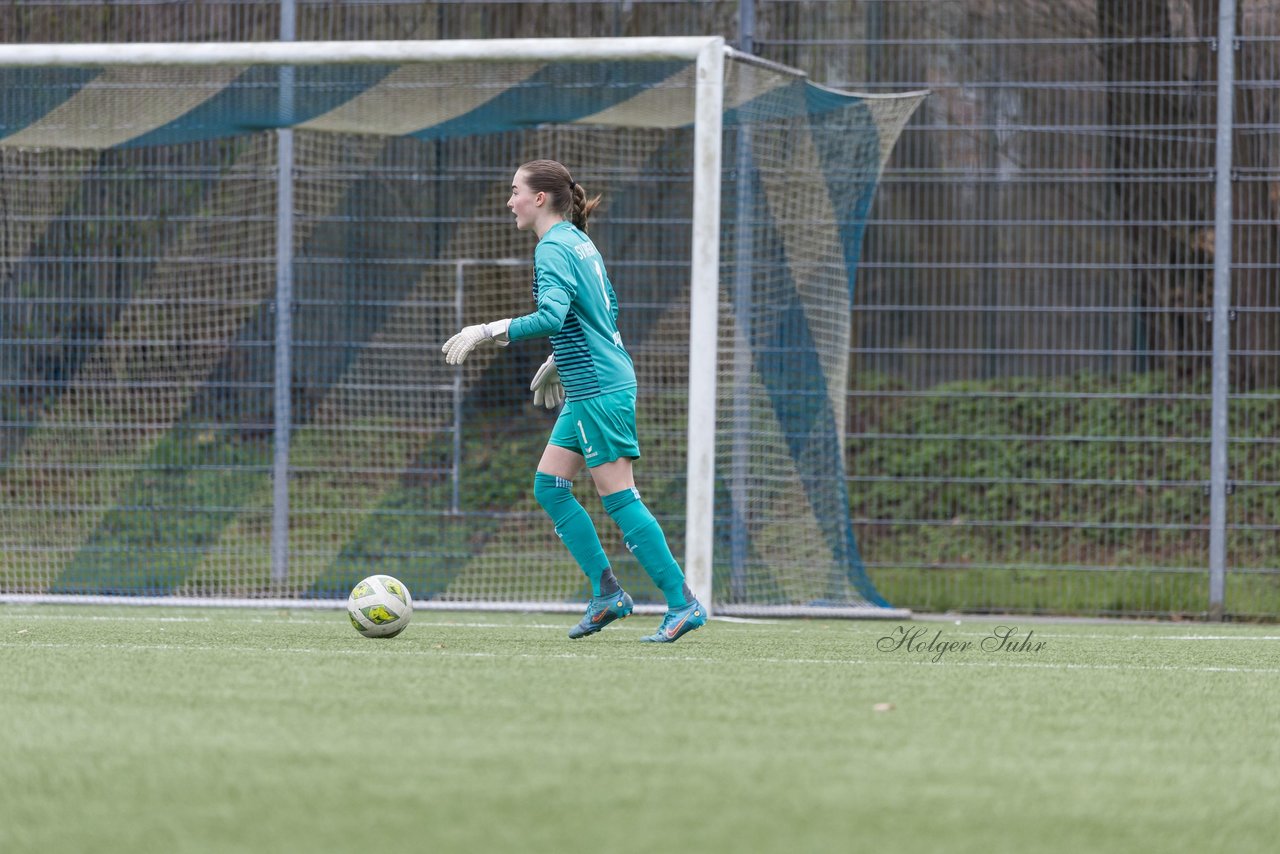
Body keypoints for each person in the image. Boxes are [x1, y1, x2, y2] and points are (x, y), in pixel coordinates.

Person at [442, 159, 705, 643]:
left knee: (619, 496)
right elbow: (605, 310)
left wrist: (489, 330)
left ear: (539, 198)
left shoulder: (553, 247)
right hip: (591, 383)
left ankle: (682, 602)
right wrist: (562, 360)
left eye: (515, 190)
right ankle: (607, 594)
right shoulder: (579, 242)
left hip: (600, 388)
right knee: (549, 486)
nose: (510, 200)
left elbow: (552, 314)